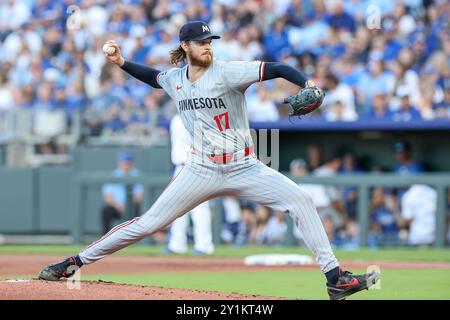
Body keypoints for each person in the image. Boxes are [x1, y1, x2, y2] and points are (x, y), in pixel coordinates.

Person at [37, 21, 379, 300]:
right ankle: (75, 261)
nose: (207, 46)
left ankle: (335, 277)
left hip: (245, 166)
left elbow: (276, 68)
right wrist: (122, 63)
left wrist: (307, 82)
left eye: (209, 41)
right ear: (185, 46)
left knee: (301, 200)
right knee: (149, 223)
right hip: (201, 168)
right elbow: (153, 78)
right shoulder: (175, 80)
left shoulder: (229, 72)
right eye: (201, 42)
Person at [166, 114, 214, 255]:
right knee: (176, 208)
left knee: (199, 208)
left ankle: (204, 245)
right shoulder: (175, 119)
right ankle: (176, 244)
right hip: (178, 166)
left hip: (196, 166)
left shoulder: (200, 116)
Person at [101, 150, 143, 235]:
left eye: (128, 162)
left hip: (132, 207)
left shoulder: (137, 174)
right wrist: (118, 206)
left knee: (140, 209)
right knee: (105, 210)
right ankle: (106, 237)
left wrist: (128, 206)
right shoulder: (113, 175)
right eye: (124, 162)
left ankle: (136, 237)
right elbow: (107, 196)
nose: (126, 165)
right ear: (119, 163)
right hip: (116, 207)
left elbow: (139, 195)